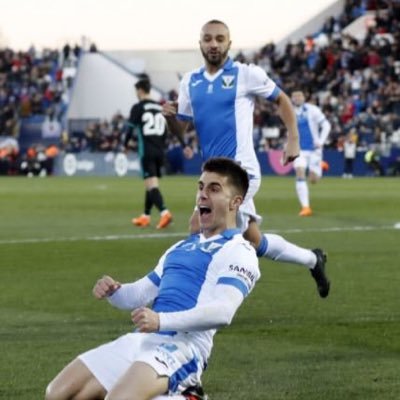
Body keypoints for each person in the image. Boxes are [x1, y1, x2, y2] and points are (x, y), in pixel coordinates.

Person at [45, 157, 259, 400]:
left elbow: (223, 313)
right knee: (58, 394)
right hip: (142, 339)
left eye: (214, 189)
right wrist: (114, 291)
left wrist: (161, 321)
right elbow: (140, 293)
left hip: (183, 347)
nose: (202, 195)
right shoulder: (180, 247)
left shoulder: (240, 251)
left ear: (236, 202)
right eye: (200, 187)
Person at [162, 19, 330, 298]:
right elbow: (182, 131)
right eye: (208, 39)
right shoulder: (190, 82)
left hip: (242, 171)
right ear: (200, 43)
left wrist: (293, 138)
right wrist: (171, 119)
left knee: (199, 225)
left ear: (229, 42)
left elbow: (282, 99)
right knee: (254, 239)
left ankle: (196, 298)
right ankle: (313, 260)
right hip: (213, 175)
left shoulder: (245, 74)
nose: (213, 44)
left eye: (219, 38)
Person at [125, 78, 173, 229]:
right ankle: (145, 216)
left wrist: (125, 145)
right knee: (151, 184)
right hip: (159, 150)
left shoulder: (138, 107)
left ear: (140, 90)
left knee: (151, 185)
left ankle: (165, 213)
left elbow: (130, 129)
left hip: (147, 150)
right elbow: (166, 131)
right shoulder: (159, 107)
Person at [291, 89, 331, 216]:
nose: (297, 98)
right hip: (299, 150)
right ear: (292, 99)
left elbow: (326, 125)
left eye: (299, 95)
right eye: (295, 96)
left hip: (315, 150)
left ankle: (320, 165)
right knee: (300, 172)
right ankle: (306, 207)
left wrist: (321, 141)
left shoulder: (313, 110)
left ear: (304, 97)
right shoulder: (289, 111)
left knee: (314, 179)